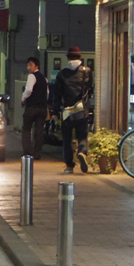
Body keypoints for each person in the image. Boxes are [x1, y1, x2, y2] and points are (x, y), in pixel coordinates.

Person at [51, 46, 92, 174]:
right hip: (82, 110)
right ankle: (82, 151)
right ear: (80, 57)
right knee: (82, 135)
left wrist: (55, 112)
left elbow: (57, 95)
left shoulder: (61, 74)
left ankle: (69, 166)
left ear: (68, 58)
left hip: (67, 112)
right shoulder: (87, 71)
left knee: (67, 139)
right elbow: (90, 90)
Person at [19, 55, 49, 159]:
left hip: (32, 107)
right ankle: (37, 153)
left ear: (36, 66)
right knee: (39, 131)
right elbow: (47, 93)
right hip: (42, 108)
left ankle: (27, 151)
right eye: (27, 65)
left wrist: (23, 99)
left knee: (26, 129)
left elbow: (28, 90)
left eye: (30, 65)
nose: (28, 67)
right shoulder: (44, 79)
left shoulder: (31, 76)